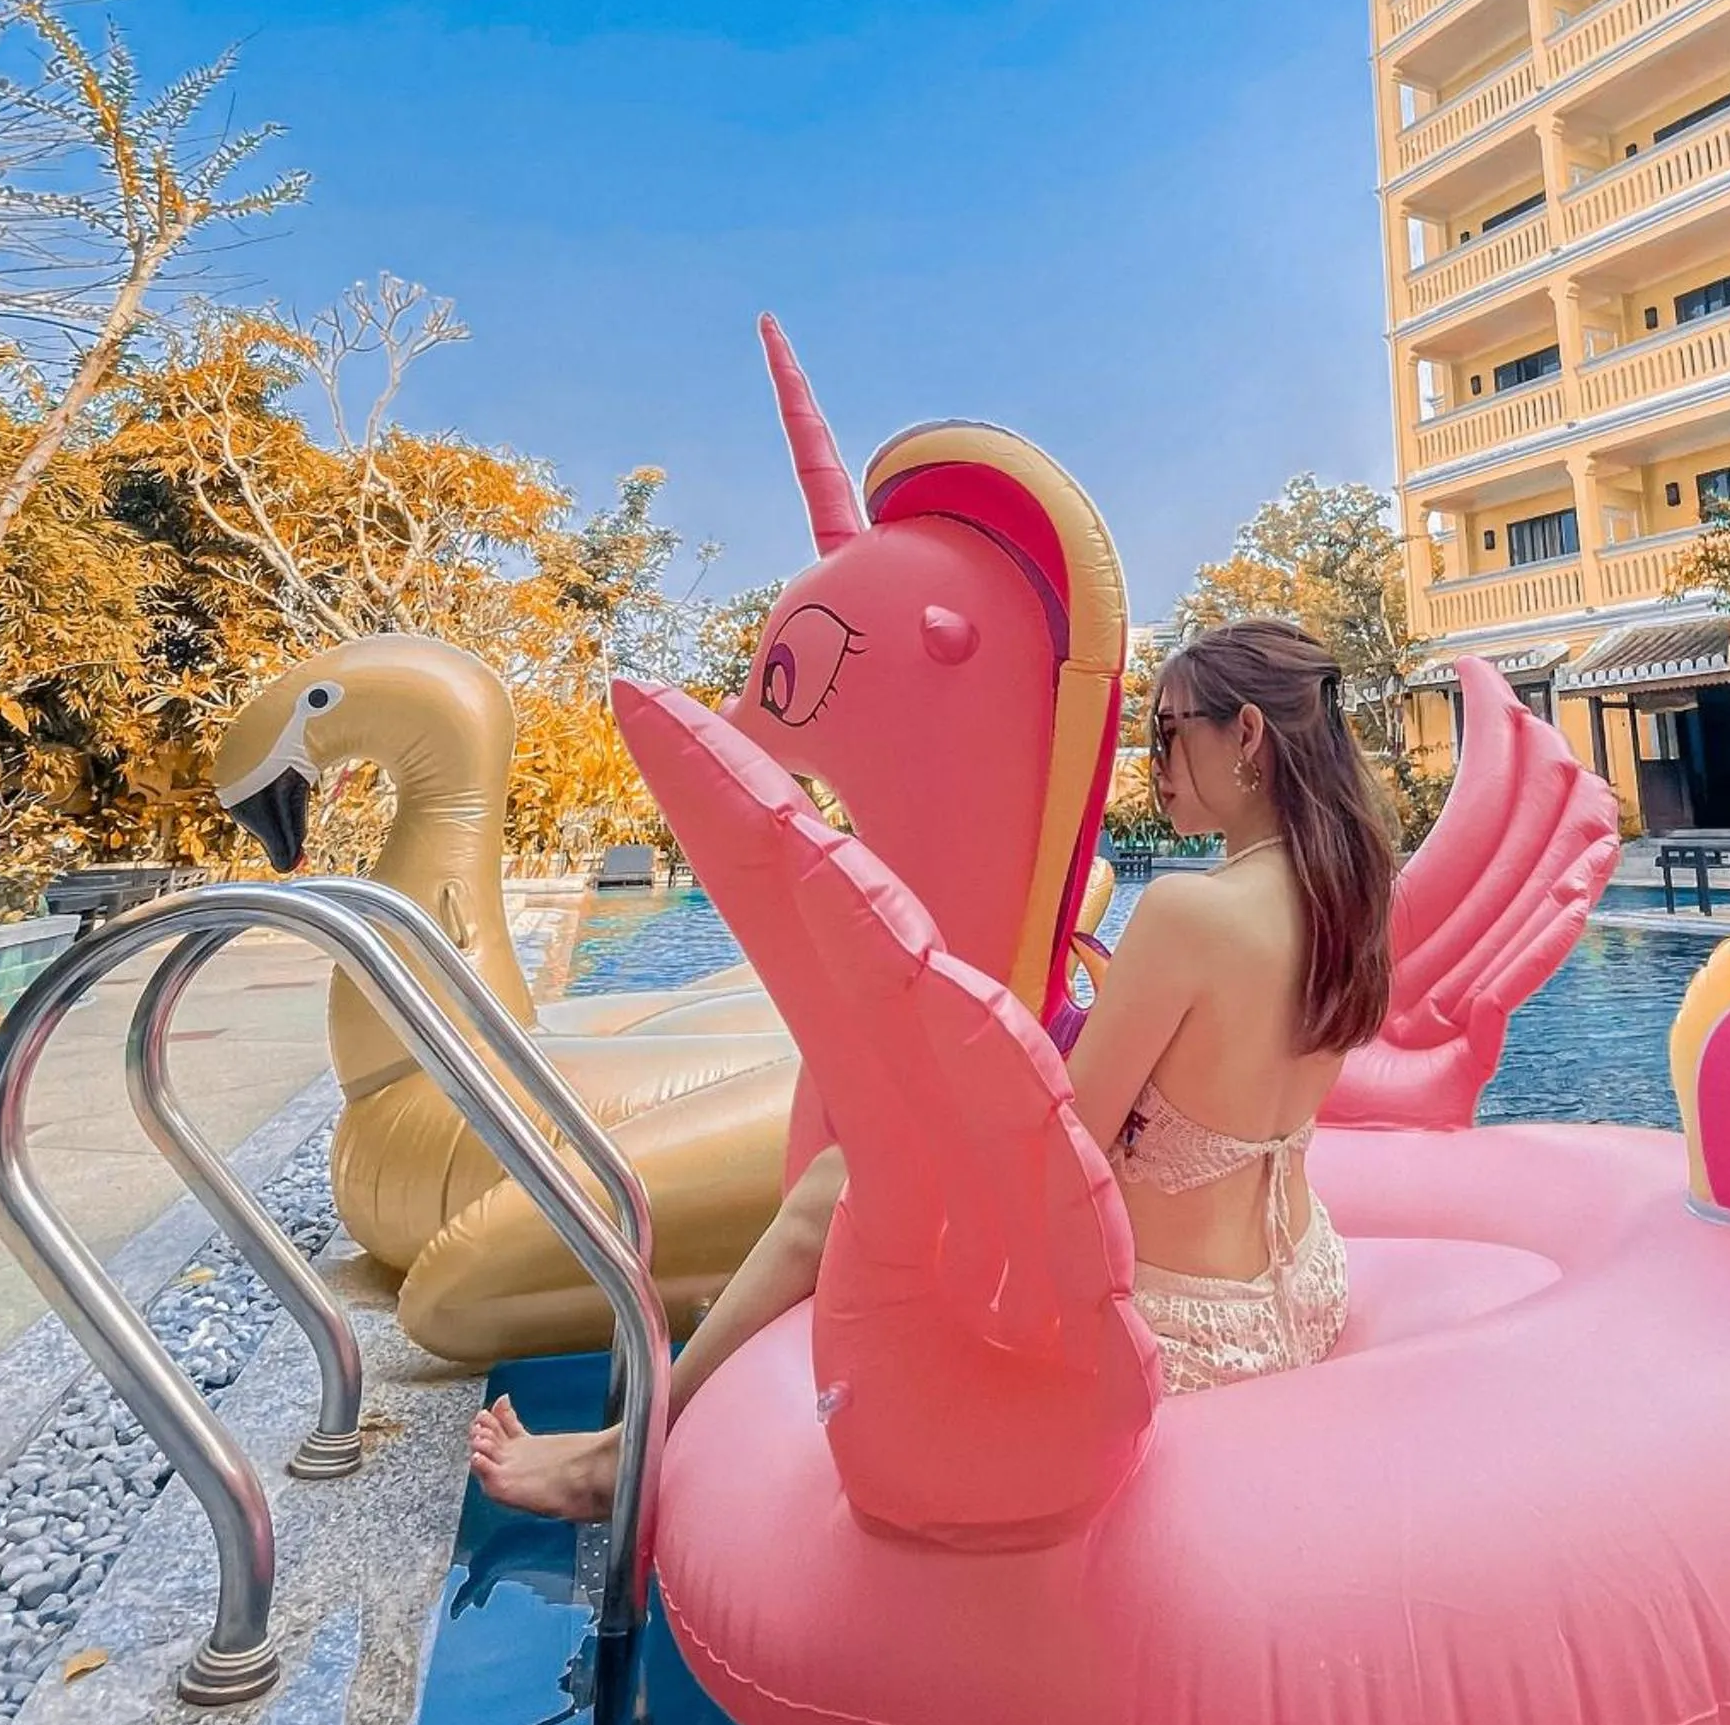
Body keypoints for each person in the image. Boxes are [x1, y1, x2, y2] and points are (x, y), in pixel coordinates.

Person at [471, 616, 1395, 1518]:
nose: (1152, 768)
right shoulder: (1350, 905)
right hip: (1301, 1297)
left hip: (1179, 1334)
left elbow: (1063, 1157)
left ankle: (621, 1456)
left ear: (1247, 736)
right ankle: (627, 1441)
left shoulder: (1189, 914)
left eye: (1166, 734)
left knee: (841, 1182)